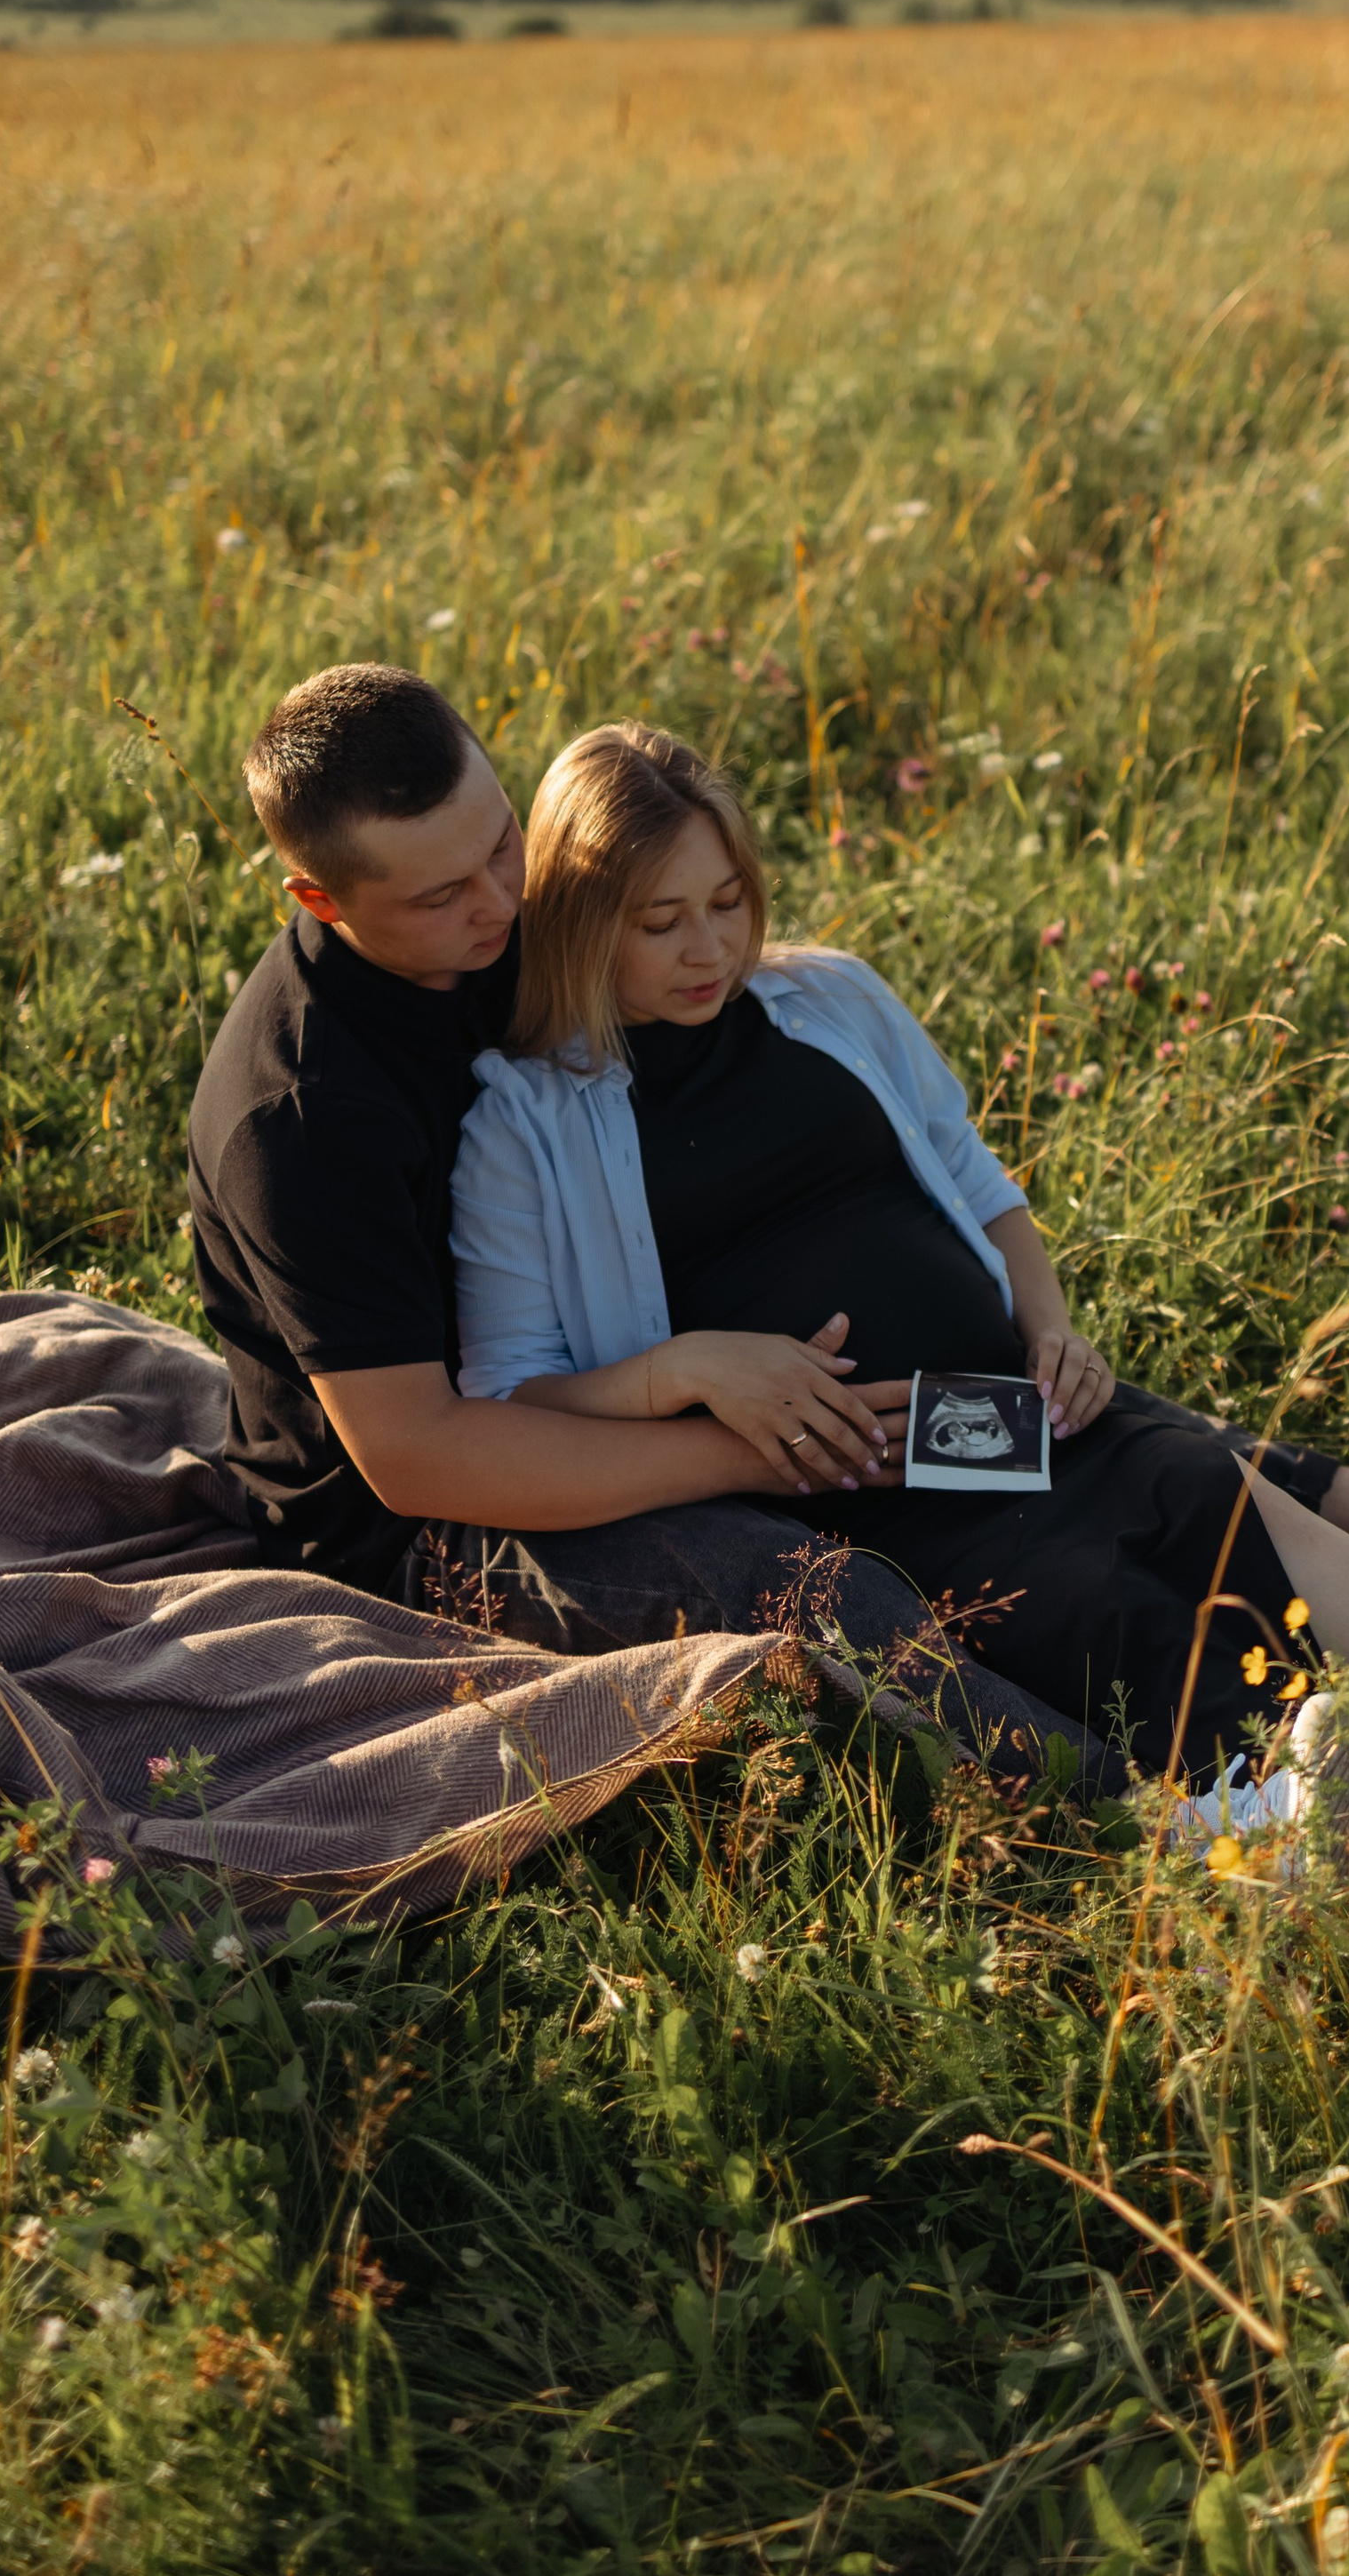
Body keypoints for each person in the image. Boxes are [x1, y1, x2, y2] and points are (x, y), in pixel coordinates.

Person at [447, 720, 1349, 2024]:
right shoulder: (526, 1115)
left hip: (1002, 1412)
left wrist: (1050, 1319)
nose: (711, 946)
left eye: (729, 902)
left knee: (1252, 1527)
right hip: (866, 1486)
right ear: (582, 914)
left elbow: (980, 1188)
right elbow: (514, 1390)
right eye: (662, 920)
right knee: (1161, 1651)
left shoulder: (826, 1001)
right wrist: (688, 1368)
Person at [188, 664, 1112, 1780]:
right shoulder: (301, 1122)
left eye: (499, 844)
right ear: (319, 901)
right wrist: (737, 1452)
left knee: (1028, 1418)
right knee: (809, 1587)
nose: (498, 903)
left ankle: (1340, 1519)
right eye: (440, 895)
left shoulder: (505, 931)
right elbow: (417, 1458)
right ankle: (1135, 1816)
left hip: (629, 1373)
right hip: (445, 1525)